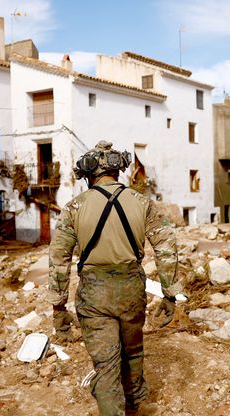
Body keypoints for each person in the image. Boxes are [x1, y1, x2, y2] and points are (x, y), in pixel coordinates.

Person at [47, 141, 182, 415]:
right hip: (131, 289)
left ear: (88, 175)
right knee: (132, 352)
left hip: (94, 294)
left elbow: (58, 259)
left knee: (106, 366)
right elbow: (167, 249)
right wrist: (170, 294)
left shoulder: (74, 207)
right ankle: (132, 406)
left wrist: (58, 306)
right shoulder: (144, 204)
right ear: (119, 171)